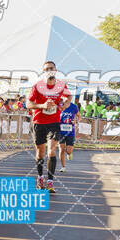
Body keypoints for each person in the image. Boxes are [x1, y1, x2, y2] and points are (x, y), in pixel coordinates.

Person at [27, 61, 72, 193]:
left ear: (56, 70)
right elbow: (29, 104)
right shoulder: (37, 86)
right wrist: (42, 106)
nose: (49, 71)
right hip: (39, 123)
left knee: (51, 151)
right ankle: (40, 177)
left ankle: (50, 182)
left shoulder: (61, 85)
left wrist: (66, 104)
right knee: (40, 152)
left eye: (51, 68)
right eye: (47, 69)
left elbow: (69, 96)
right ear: (44, 72)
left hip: (54, 123)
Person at [59, 100, 80, 172]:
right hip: (61, 131)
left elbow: (78, 116)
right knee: (61, 149)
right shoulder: (59, 105)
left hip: (70, 132)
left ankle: (69, 153)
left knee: (68, 151)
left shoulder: (74, 107)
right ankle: (63, 167)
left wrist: (76, 122)